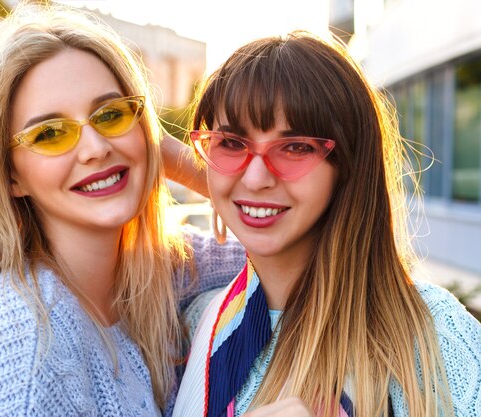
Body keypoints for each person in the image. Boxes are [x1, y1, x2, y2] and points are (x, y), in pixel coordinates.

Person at [0, 3, 244, 416]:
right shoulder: (25, 340)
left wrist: (172, 159)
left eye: (111, 114)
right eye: (50, 133)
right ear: (10, 176)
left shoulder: (157, 271)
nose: (95, 148)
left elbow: (312, 240)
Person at [172, 32, 481, 417]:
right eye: (231, 143)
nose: (255, 178)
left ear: (349, 166)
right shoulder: (199, 321)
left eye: (296, 147)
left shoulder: (427, 334)